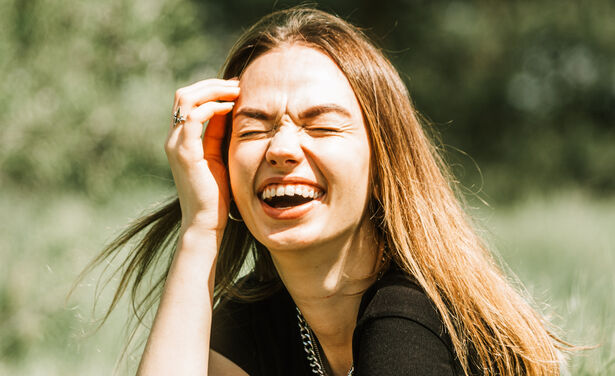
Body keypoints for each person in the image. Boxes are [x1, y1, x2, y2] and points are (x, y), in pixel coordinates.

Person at [81, 7, 570, 376]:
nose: (283, 148)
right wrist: (200, 228)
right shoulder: (256, 320)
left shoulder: (413, 318)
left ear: (384, 159)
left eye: (322, 126)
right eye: (253, 129)